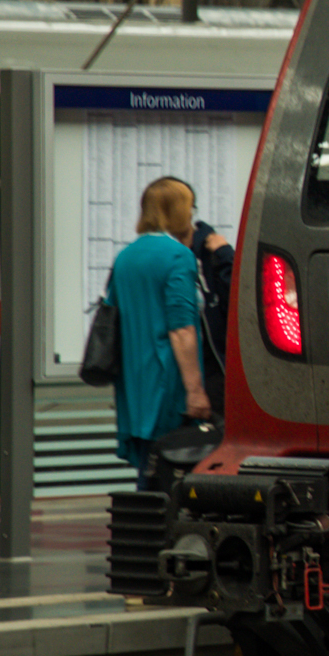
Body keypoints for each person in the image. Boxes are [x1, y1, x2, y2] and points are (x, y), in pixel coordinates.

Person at [111, 177, 211, 489]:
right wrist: (195, 390)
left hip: (134, 384)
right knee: (173, 474)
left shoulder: (125, 258)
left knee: (148, 469)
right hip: (167, 382)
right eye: (189, 207)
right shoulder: (177, 256)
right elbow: (181, 328)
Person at [164, 176, 233, 418]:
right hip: (174, 372)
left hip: (216, 371)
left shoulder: (214, 250)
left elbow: (241, 300)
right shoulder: (163, 255)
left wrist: (225, 256)